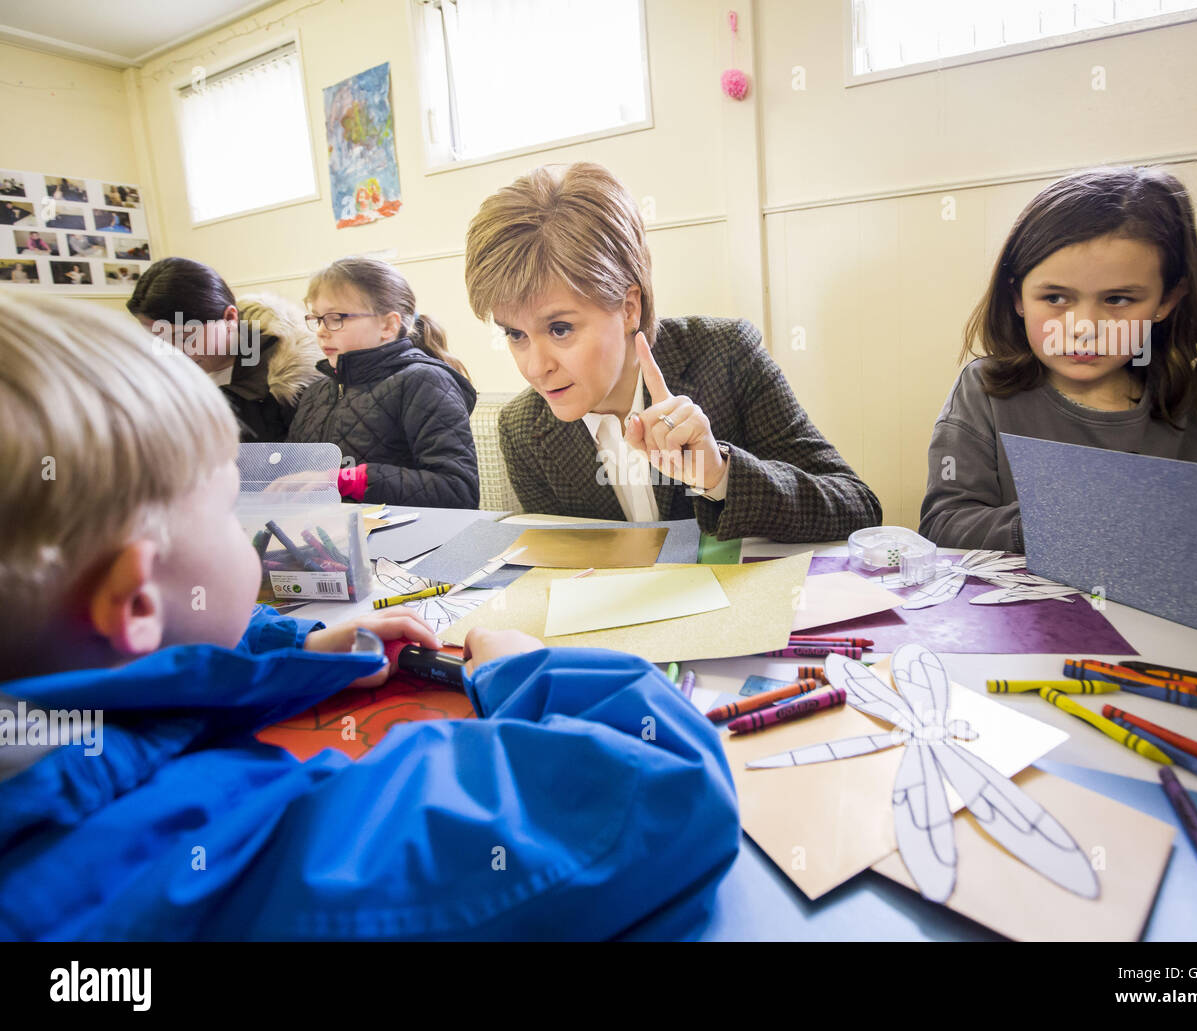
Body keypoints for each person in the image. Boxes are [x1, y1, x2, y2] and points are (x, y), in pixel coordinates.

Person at [0, 294, 739, 940]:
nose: (535, 361)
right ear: (134, 598)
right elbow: (667, 790)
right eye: (229, 505)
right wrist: (527, 668)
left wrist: (295, 645)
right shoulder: (212, 856)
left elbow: (150, 671)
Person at [464, 162, 881, 542]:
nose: (535, 368)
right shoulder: (522, 428)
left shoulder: (728, 354)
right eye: (515, 335)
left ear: (629, 307)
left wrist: (720, 474)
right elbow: (570, 570)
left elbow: (858, 507)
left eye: (560, 329)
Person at [919, 165, 1197, 557]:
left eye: (1117, 300)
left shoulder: (1193, 401)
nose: (1083, 327)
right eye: (1055, 298)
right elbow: (945, 524)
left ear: (1167, 300)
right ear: (1017, 297)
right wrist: (1072, 519)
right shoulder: (985, 391)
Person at [288, 256, 479, 508]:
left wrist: (351, 480)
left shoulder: (424, 382)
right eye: (317, 319)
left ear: (388, 325)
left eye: (336, 318)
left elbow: (458, 490)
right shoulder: (316, 393)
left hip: (404, 543)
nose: (322, 331)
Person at [129, 257, 325, 444]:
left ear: (230, 318)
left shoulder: (288, 383)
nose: (174, 353)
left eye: (184, 337)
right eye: (158, 339)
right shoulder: (160, 377)